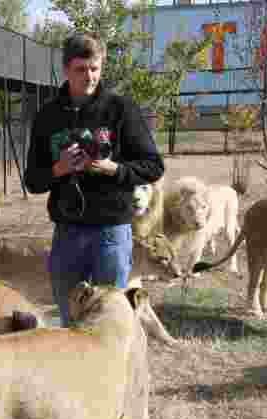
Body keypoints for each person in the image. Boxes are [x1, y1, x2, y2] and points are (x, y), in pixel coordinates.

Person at [24, 33, 165, 326]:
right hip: (68, 234)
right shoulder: (48, 116)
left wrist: (112, 169)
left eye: (95, 68)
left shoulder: (121, 109)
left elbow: (153, 166)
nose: (89, 76)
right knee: (70, 318)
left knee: (108, 321)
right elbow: (33, 181)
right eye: (80, 69)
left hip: (111, 233)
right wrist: (59, 169)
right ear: (65, 70)